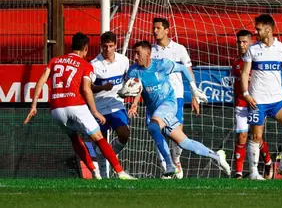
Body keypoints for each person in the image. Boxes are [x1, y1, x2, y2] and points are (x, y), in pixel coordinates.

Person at [24, 32, 135, 180]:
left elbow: (41, 80)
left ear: (71, 46)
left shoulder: (55, 60)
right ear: (86, 49)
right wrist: (95, 112)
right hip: (76, 105)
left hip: (56, 108)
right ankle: (120, 172)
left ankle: (94, 171)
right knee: (98, 138)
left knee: (74, 138)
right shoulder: (86, 65)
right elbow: (85, 89)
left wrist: (33, 105)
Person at [126, 40, 231, 177]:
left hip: (169, 104)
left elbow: (183, 68)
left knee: (153, 127)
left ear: (148, 53)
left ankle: (170, 165)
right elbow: (137, 88)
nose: (135, 57)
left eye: (138, 53)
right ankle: (216, 156)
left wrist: (193, 90)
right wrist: (134, 103)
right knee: (184, 143)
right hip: (154, 109)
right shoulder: (134, 71)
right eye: (134, 53)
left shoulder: (161, 65)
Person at [241, 14, 282, 180]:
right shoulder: (253, 49)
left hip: (277, 101)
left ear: (268, 29)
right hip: (257, 101)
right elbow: (245, 73)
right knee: (256, 137)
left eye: (258, 28)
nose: (255, 31)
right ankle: (254, 173)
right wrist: (246, 94)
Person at [149, 17, 199, 179]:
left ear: (166, 30)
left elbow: (188, 71)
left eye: (158, 28)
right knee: (158, 132)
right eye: (154, 28)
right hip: (155, 98)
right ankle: (166, 167)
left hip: (175, 97)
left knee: (177, 132)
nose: (155, 31)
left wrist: (194, 95)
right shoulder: (150, 51)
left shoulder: (179, 49)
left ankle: (176, 161)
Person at [232, 30, 273, 179]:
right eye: (239, 42)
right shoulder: (236, 62)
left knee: (256, 137)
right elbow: (236, 85)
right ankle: (238, 173)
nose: (241, 45)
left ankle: (268, 161)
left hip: (257, 103)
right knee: (242, 136)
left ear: (251, 42)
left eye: (244, 42)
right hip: (241, 103)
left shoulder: (257, 60)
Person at [90, 31, 131, 178]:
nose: (108, 49)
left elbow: (129, 79)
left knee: (124, 134)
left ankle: (109, 155)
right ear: (101, 46)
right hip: (99, 107)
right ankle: (102, 175)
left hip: (116, 104)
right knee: (99, 141)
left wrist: (130, 89)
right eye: (105, 46)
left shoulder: (123, 60)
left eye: (111, 46)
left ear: (115, 45)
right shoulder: (94, 65)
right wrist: (102, 87)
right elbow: (87, 87)